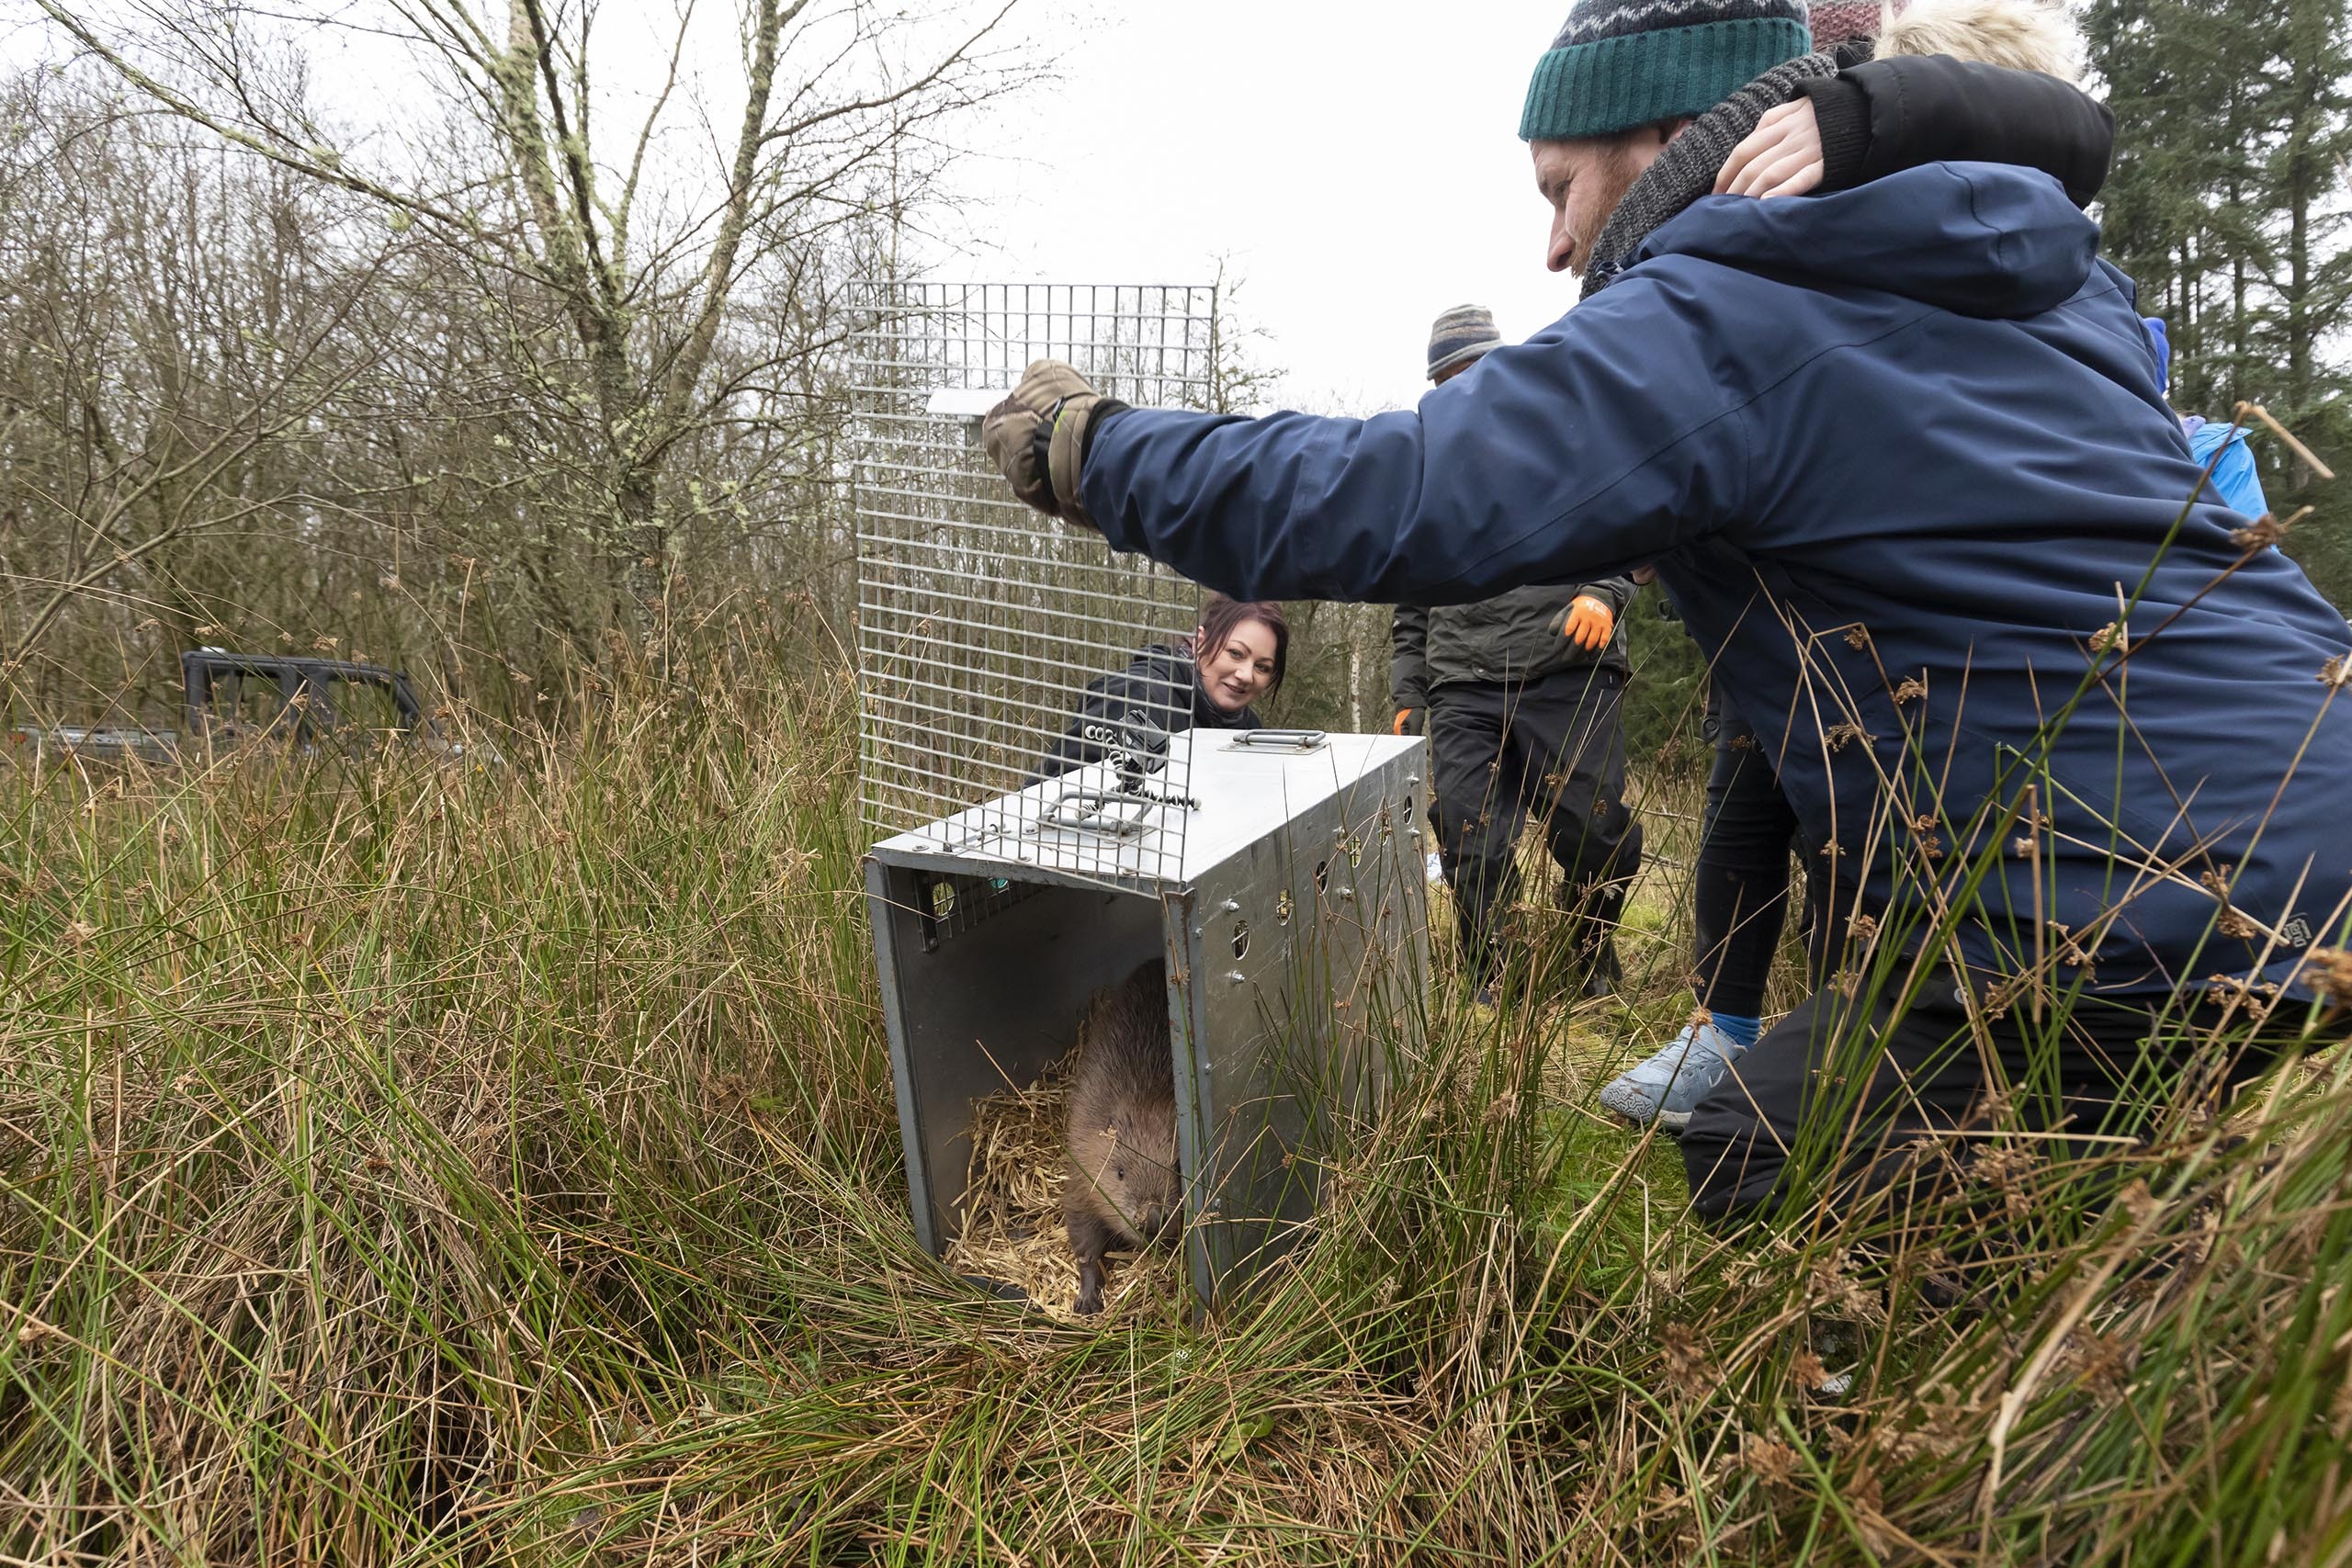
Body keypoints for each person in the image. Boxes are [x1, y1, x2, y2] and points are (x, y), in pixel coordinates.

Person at [982, 0, 2352, 1230]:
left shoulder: (1730, 299)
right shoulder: (2047, 290)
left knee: (1756, 1152)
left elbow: (1401, 492)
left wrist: (1096, 451)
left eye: (1562, 186)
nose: (1558, 238)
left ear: (1666, 135)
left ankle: (2074, 1409)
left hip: (2130, 914)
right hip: (2311, 805)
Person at [1601, 0, 2118, 1131]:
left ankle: (1858, 1030)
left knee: (1872, 827)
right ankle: (1727, 1026)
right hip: (1801, 602)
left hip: (1931, 638)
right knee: (1753, 800)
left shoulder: (2057, 288)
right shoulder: (1823, 224)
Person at [1394, 305, 1642, 1005]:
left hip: (1566, 663)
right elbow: (1411, 597)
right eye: (1448, 379)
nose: (1464, 388)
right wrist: (1407, 691)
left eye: (1474, 372)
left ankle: (1590, 945)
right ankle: (1487, 972)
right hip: (1462, 682)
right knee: (1468, 834)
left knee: (1593, 829)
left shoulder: (1568, 440)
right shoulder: (1426, 473)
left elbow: (1632, 516)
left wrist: (1604, 589)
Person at [1033, 593, 1285, 784]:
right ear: (1200, 642)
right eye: (1236, 653)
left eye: (1262, 667)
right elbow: (1054, 792)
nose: (1246, 675)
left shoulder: (1249, 730)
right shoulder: (1137, 695)